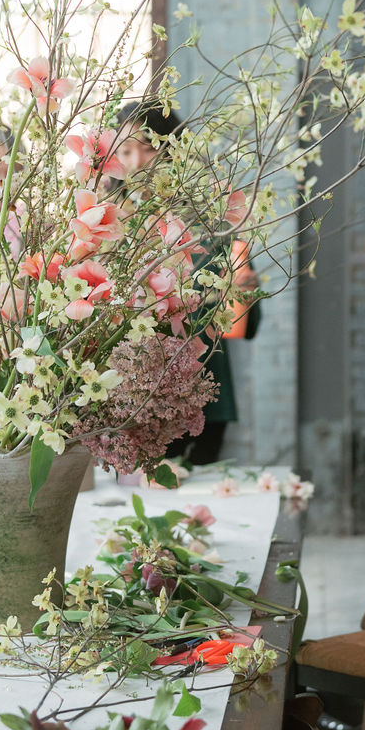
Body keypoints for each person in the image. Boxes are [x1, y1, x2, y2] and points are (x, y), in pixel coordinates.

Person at [112, 100, 260, 466]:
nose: (136, 162)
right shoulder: (105, 217)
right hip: (132, 390)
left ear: (171, 149)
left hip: (204, 383)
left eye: (148, 149)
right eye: (125, 150)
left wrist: (243, 293)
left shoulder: (206, 211)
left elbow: (241, 318)